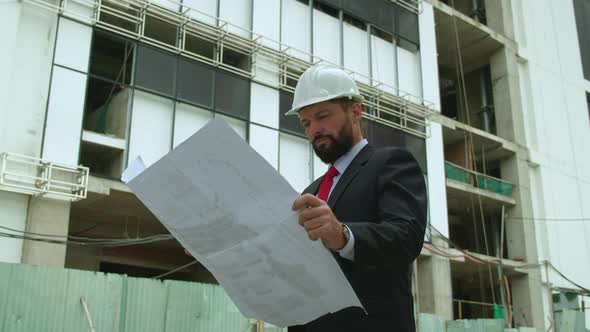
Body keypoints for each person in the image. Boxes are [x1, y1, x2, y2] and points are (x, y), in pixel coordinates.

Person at [286, 64, 427, 332]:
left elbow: (406, 238)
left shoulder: (391, 164)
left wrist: (343, 236)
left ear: (355, 111)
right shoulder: (310, 193)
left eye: (322, 115)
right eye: (306, 123)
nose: (314, 129)